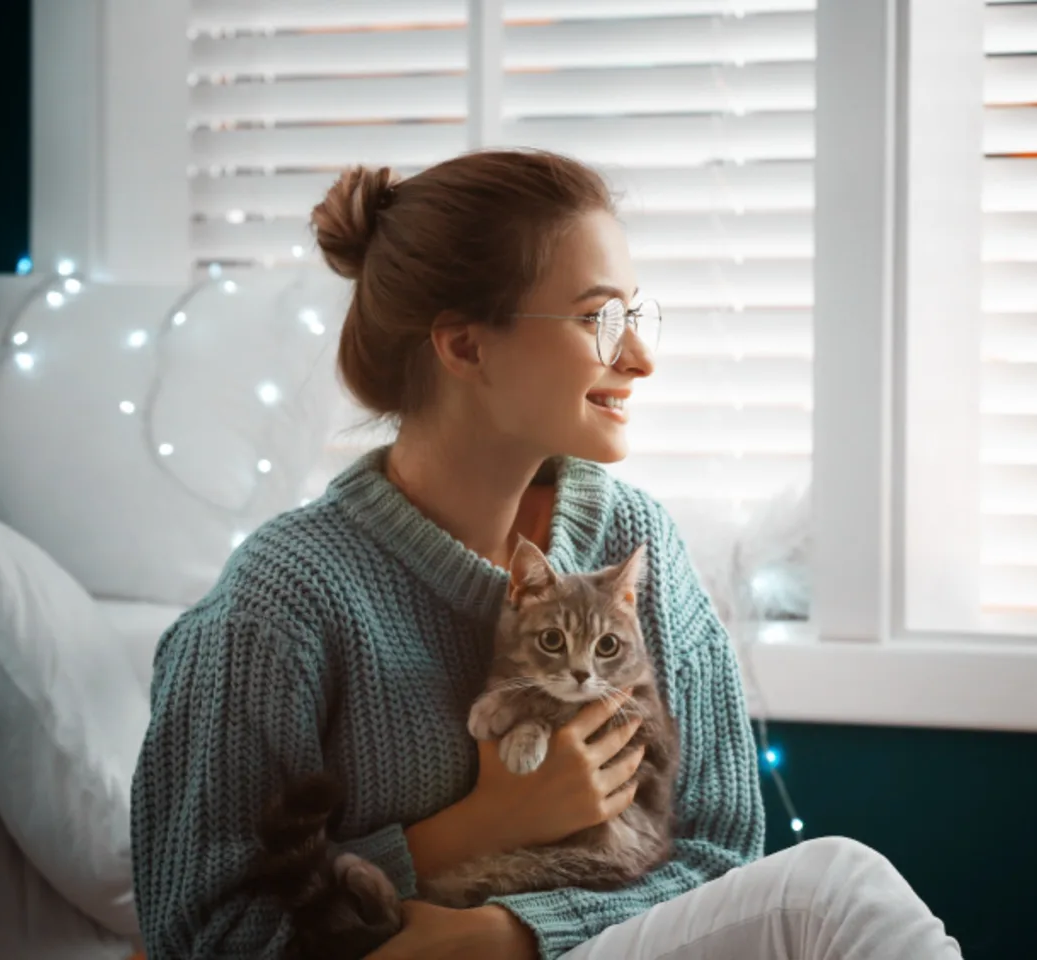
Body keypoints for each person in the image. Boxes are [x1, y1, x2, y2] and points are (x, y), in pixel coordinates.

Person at [130, 149, 961, 960]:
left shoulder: (637, 547)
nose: (639, 356)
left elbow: (724, 853)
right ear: (464, 347)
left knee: (834, 891)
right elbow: (202, 932)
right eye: (597, 317)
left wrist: (517, 933)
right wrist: (465, 836)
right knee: (835, 886)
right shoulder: (280, 603)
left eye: (636, 316)